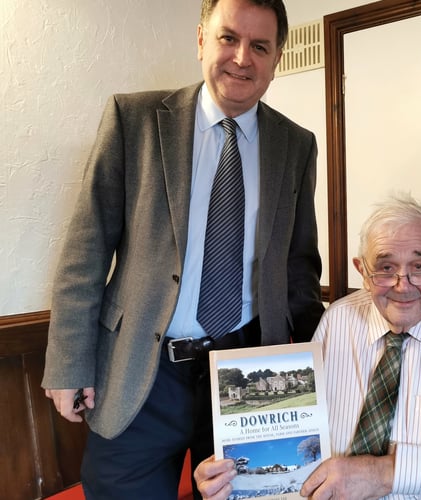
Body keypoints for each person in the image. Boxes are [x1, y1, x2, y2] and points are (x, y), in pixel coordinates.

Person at [41, 0, 324, 498]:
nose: (242, 58)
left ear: (276, 57)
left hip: (245, 374)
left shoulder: (296, 145)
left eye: (260, 46)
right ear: (200, 40)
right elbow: (85, 249)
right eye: (228, 38)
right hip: (139, 377)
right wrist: (68, 362)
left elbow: (299, 268)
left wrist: (311, 370)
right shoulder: (133, 119)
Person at [194, 193, 421, 499]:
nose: (402, 285)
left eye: (419, 266)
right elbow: (293, 435)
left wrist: (382, 474)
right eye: (385, 268)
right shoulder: (337, 320)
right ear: (363, 272)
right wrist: (228, 479)